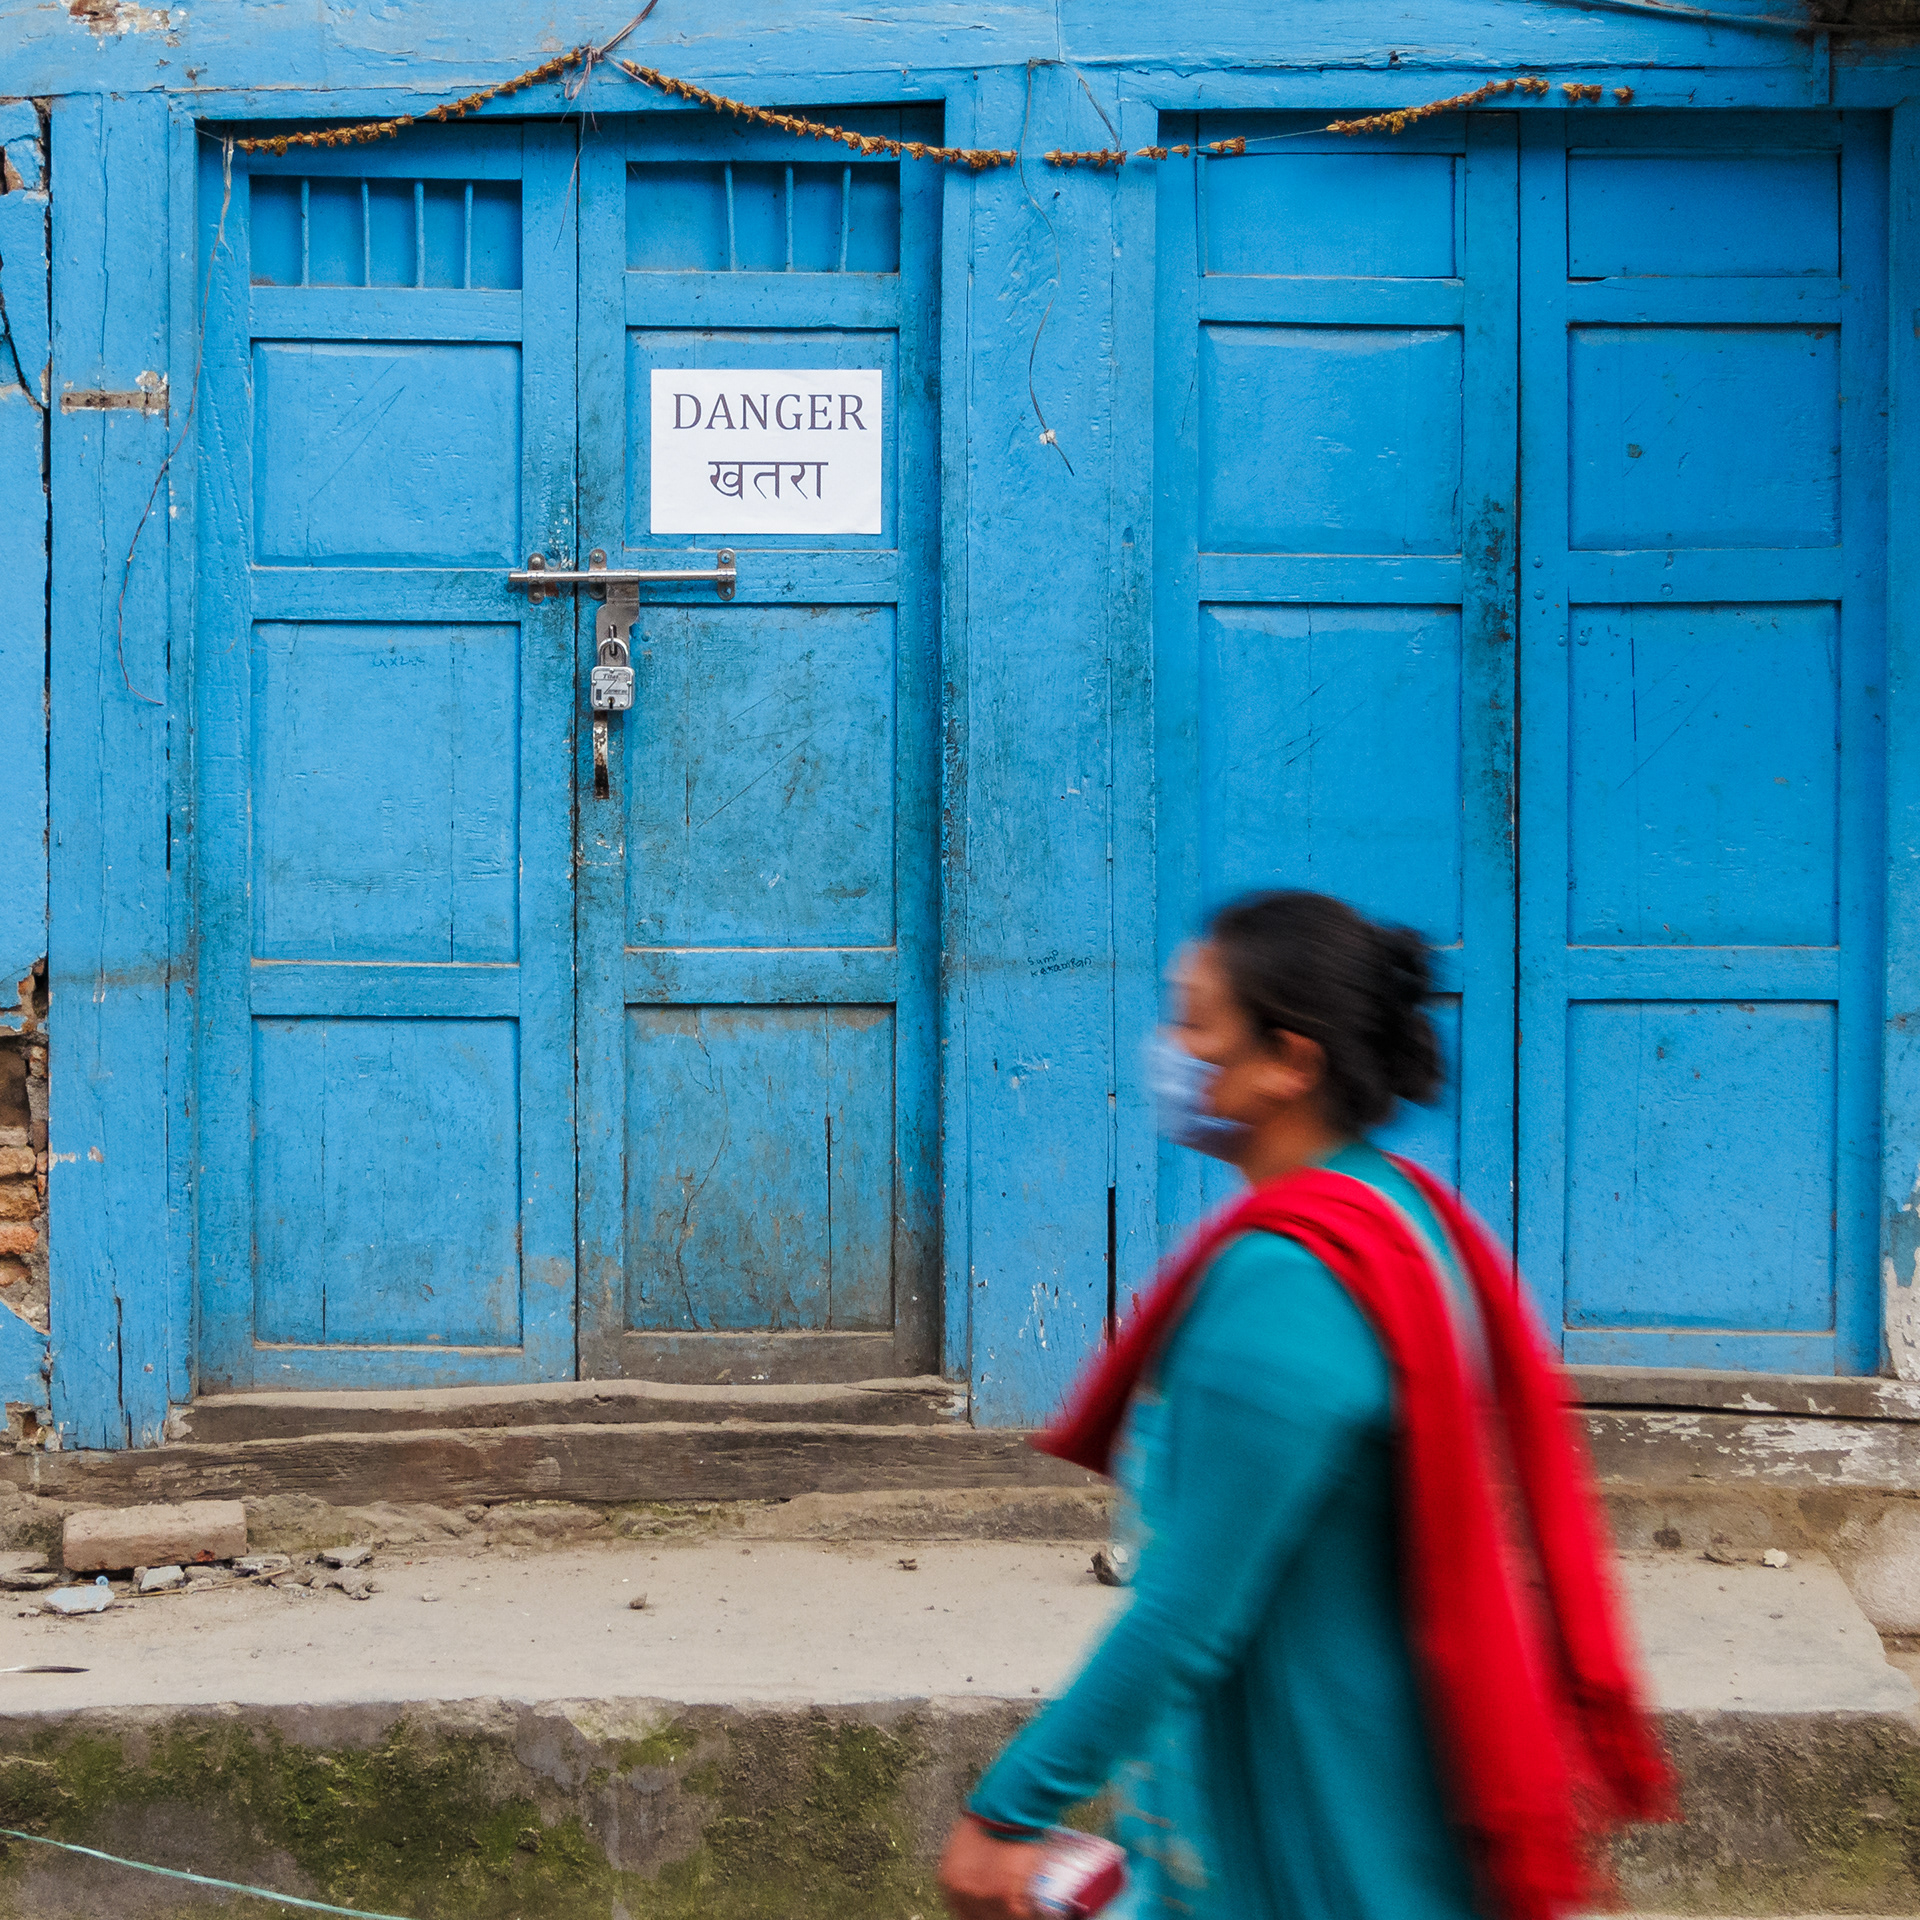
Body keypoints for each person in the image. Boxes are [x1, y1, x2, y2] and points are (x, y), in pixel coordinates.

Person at [938, 890, 1672, 1920]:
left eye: (1195, 1024)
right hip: (1381, 1783)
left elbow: (1187, 1616)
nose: (1169, 1050)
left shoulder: (1289, 1280)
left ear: (1290, 1061)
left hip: (1327, 1826)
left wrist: (1006, 1813)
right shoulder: (1398, 1212)